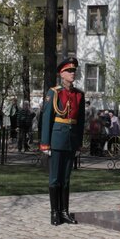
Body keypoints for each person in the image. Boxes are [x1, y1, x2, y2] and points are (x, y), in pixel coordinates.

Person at [40, 57, 85, 226]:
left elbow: (80, 121)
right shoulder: (54, 92)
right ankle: (54, 212)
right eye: (69, 71)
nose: (72, 74)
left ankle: (64, 212)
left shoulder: (79, 94)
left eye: (74, 71)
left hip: (71, 141)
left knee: (66, 178)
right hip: (57, 139)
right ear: (62, 74)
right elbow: (47, 118)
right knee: (54, 179)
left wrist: (79, 142)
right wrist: (45, 143)